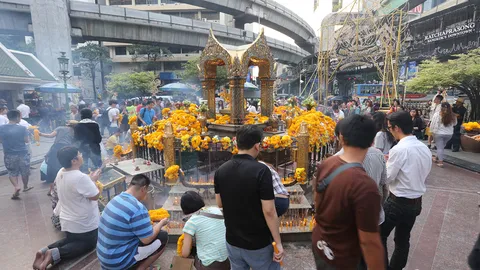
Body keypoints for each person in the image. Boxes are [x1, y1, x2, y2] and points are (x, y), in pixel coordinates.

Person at [312, 115, 384, 270]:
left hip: (320, 244)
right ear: (371, 142)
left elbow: (317, 201)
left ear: (341, 138)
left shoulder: (327, 164)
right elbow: (369, 242)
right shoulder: (365, 186)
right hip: (343, 257)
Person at [214, 125, 284, 270]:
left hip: (232, 241)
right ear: (257, 146)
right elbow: (269, 211)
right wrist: (278, 242)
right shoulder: (261, 170)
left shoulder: (221, 170)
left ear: (236, 143)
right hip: (257, 243)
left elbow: (219, 203)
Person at [32, 147, 100, 270]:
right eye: (79, 154)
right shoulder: (81, 177)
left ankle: (44, 251)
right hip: (83, 222)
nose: (82, 156)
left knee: (71, 240)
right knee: (88, 243)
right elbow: (95, 196)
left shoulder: (61, 172)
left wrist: (89, 181)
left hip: (68, 221)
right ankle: (53, 255)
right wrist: (93, 180)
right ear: (74, 160)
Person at [382, 111, 432, 270]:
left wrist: (383, 166)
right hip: (416, 202)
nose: (390, 131)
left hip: (397, 202)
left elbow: (387, 178)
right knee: (403, 240)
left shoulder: (399, 149)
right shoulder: (424, 148)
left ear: (396, 128)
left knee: (378, 235)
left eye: (390, 128)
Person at [97, 174, 169, 270]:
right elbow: (147, 239)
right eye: (146, 191)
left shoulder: (115, 200)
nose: (146, 195)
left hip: (104, 259)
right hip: (118, 262)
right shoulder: (137, 207)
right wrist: (161, 223)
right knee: (162, 236)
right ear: (143, 189)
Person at [180, 191, 231, 270]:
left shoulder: (191, 222)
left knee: (192, 251)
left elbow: (185, 254)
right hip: (227, 261)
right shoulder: (216, 210)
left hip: (209, 265)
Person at [0, 110, 33, 199]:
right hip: (22, 153)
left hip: (9, 154)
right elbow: (26, 140)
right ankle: (25, 187)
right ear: (18, 117)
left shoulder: (1, 128)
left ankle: (16, 186)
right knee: (25, 171)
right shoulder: (22, 128)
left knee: (12, 171)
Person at [39, 121, 77, 194]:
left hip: (56, 149)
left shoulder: (60, 128)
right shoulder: (75, 132)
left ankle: (51, 189)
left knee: (51, 168)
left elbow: (50, 135)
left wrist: (40, 134)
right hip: (67, 150)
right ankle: (64, 188)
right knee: (65, 167)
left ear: (67, 124)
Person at [430, 102, 457, 167]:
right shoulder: (453, 115)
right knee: (442, 146)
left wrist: (431, 131)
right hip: (449, 134)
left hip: (438, 133)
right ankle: (437, 157)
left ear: (440, 107)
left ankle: (440, 162)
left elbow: (433, 123)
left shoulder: (437, 114)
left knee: (439, 147)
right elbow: (455, 124)